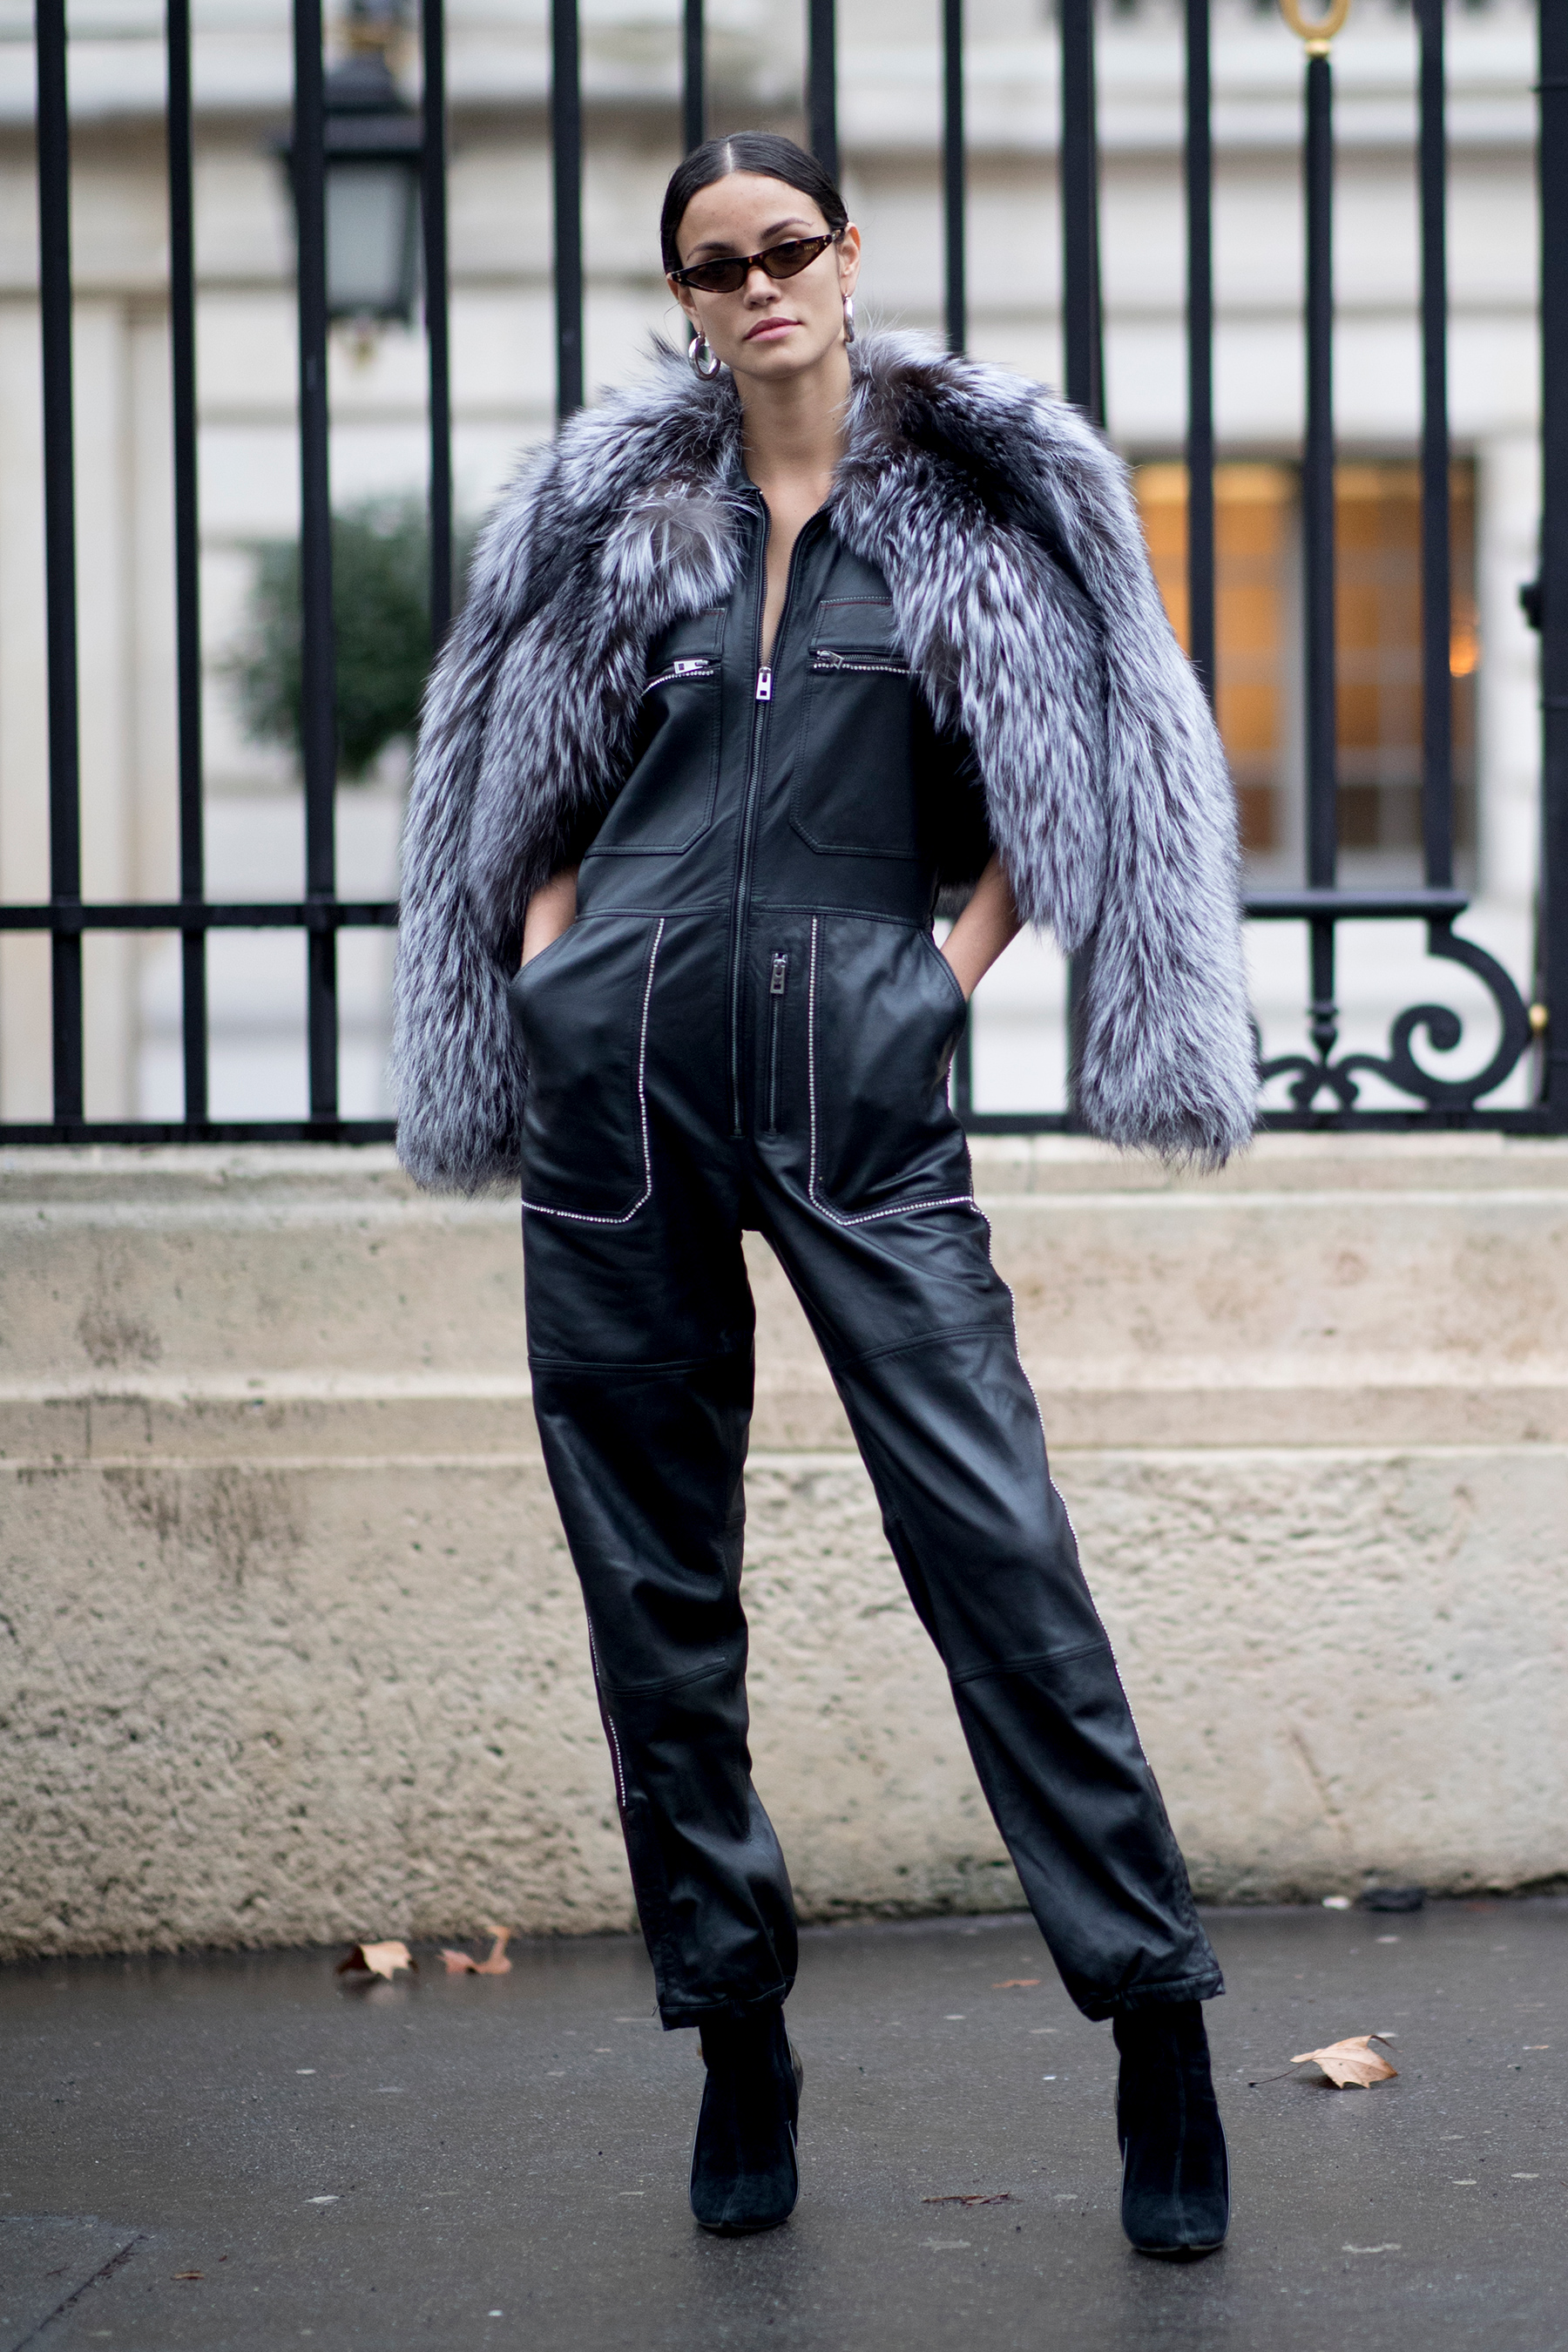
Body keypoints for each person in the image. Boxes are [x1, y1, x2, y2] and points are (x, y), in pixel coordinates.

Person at [394, 132, 1255, 2257]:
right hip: (622, 1095)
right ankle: (736, 2033)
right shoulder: (618, 518)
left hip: (861, 1088)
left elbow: (1073, 781)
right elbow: (522, 783)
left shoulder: (980, 504)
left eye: (790, 247)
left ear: (850, 258)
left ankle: (1156, 2023)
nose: (761, 284)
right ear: (687, 300)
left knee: (998, 1549)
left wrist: (932, 987)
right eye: (719, 264)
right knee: (655, 1597)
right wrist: (560, 978)